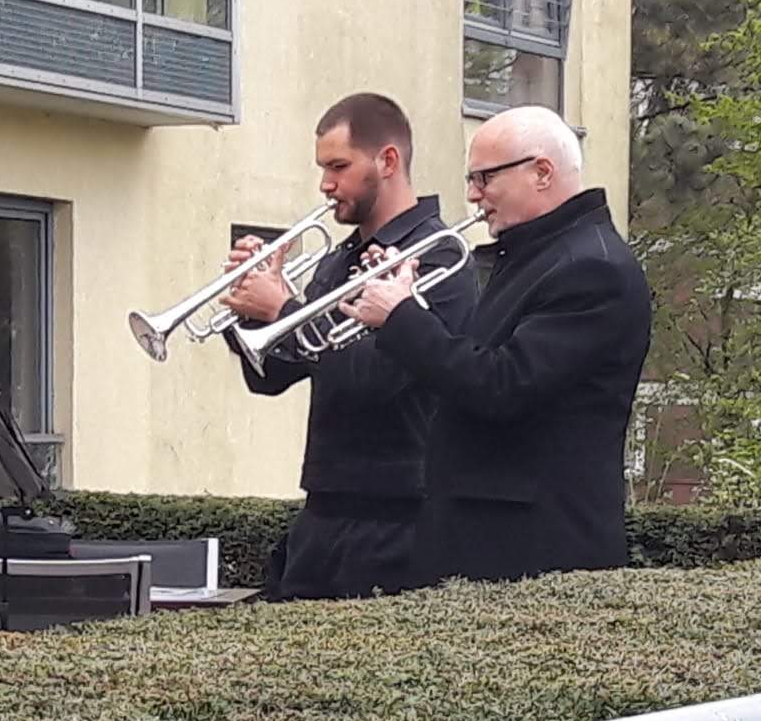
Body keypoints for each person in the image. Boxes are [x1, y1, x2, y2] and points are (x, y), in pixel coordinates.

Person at [337, 104, 652, 584]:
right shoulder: (536, 256)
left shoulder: (593, 268)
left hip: (531, 550)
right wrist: (408, 299)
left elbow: (503, 386)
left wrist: (401, 318)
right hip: (487, 540)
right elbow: (474, 359)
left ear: (541, 172)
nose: (473, 195)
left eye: (484, 179)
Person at [220, 93, 478, 601]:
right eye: (322, 168)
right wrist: (244, 309)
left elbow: (377, 379)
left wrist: (283, 310)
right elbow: (270, 376)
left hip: (395, 516)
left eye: (339, 166)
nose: (326, 184)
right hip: (323, 510)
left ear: (387, 161)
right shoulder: (340, 260)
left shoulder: (439, 256)